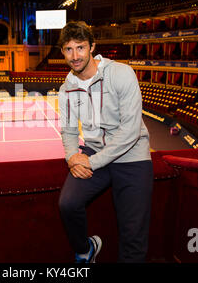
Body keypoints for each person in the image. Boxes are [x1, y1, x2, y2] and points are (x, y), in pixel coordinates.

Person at [57, 21, 153, 263]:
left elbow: (130, 131)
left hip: (131, 156)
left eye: (80, 47)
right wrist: (71, 158)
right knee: (68, 204)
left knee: (133, 235)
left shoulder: (121, 73)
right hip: (94, 152)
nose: (75, 55)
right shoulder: (66, 88)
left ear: (92, 47)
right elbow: (68, 130)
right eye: (68, 49)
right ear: (62, 53)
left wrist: (91, 162)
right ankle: (85, 249)